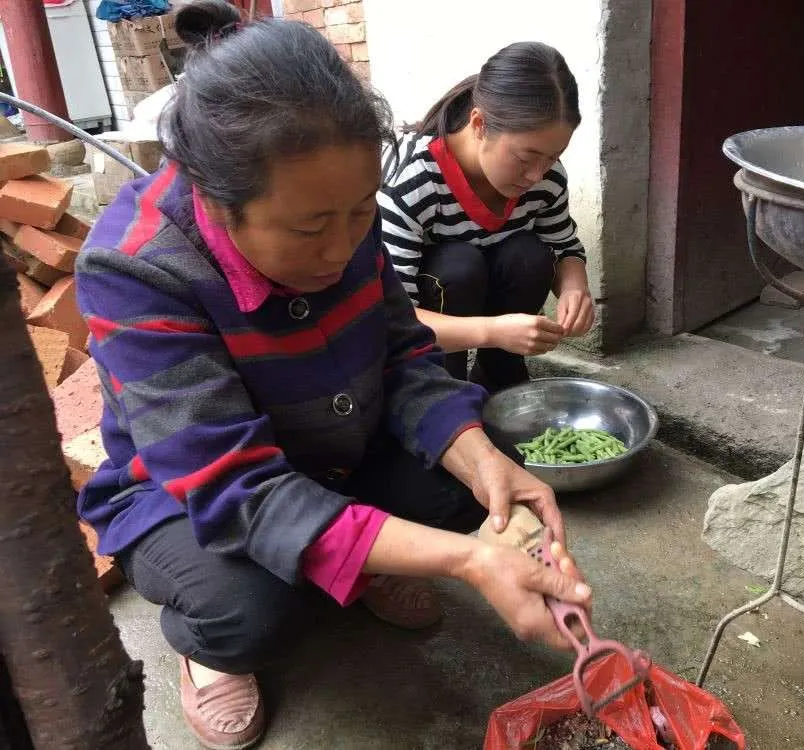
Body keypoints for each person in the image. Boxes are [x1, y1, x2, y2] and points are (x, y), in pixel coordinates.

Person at [74, 4, 592, 748]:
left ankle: (359, 554)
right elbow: (237, 487)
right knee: (248, 611)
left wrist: (480, 459)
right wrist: (471, 561)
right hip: (192, 491)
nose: (343, 246)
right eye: (313, 228)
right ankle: (207, 651)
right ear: (219, 204)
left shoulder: (338, 205)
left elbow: (405, 351)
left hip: (340, 438)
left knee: (481, 482)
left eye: (358, 216)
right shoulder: (136, 269)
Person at [378, 42, 595, 392]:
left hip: (493, 292)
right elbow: (393, 317)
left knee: (531, 255)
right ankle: (445, 386)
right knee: (458, 265)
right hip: (431, 322)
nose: (536, 176)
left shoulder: (546, 179)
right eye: (526, 158)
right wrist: (493, 332)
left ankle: (500, 378)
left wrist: (574, 287)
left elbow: (565, 245)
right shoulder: (412, 181)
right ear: (479, 124)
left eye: (553, 157)